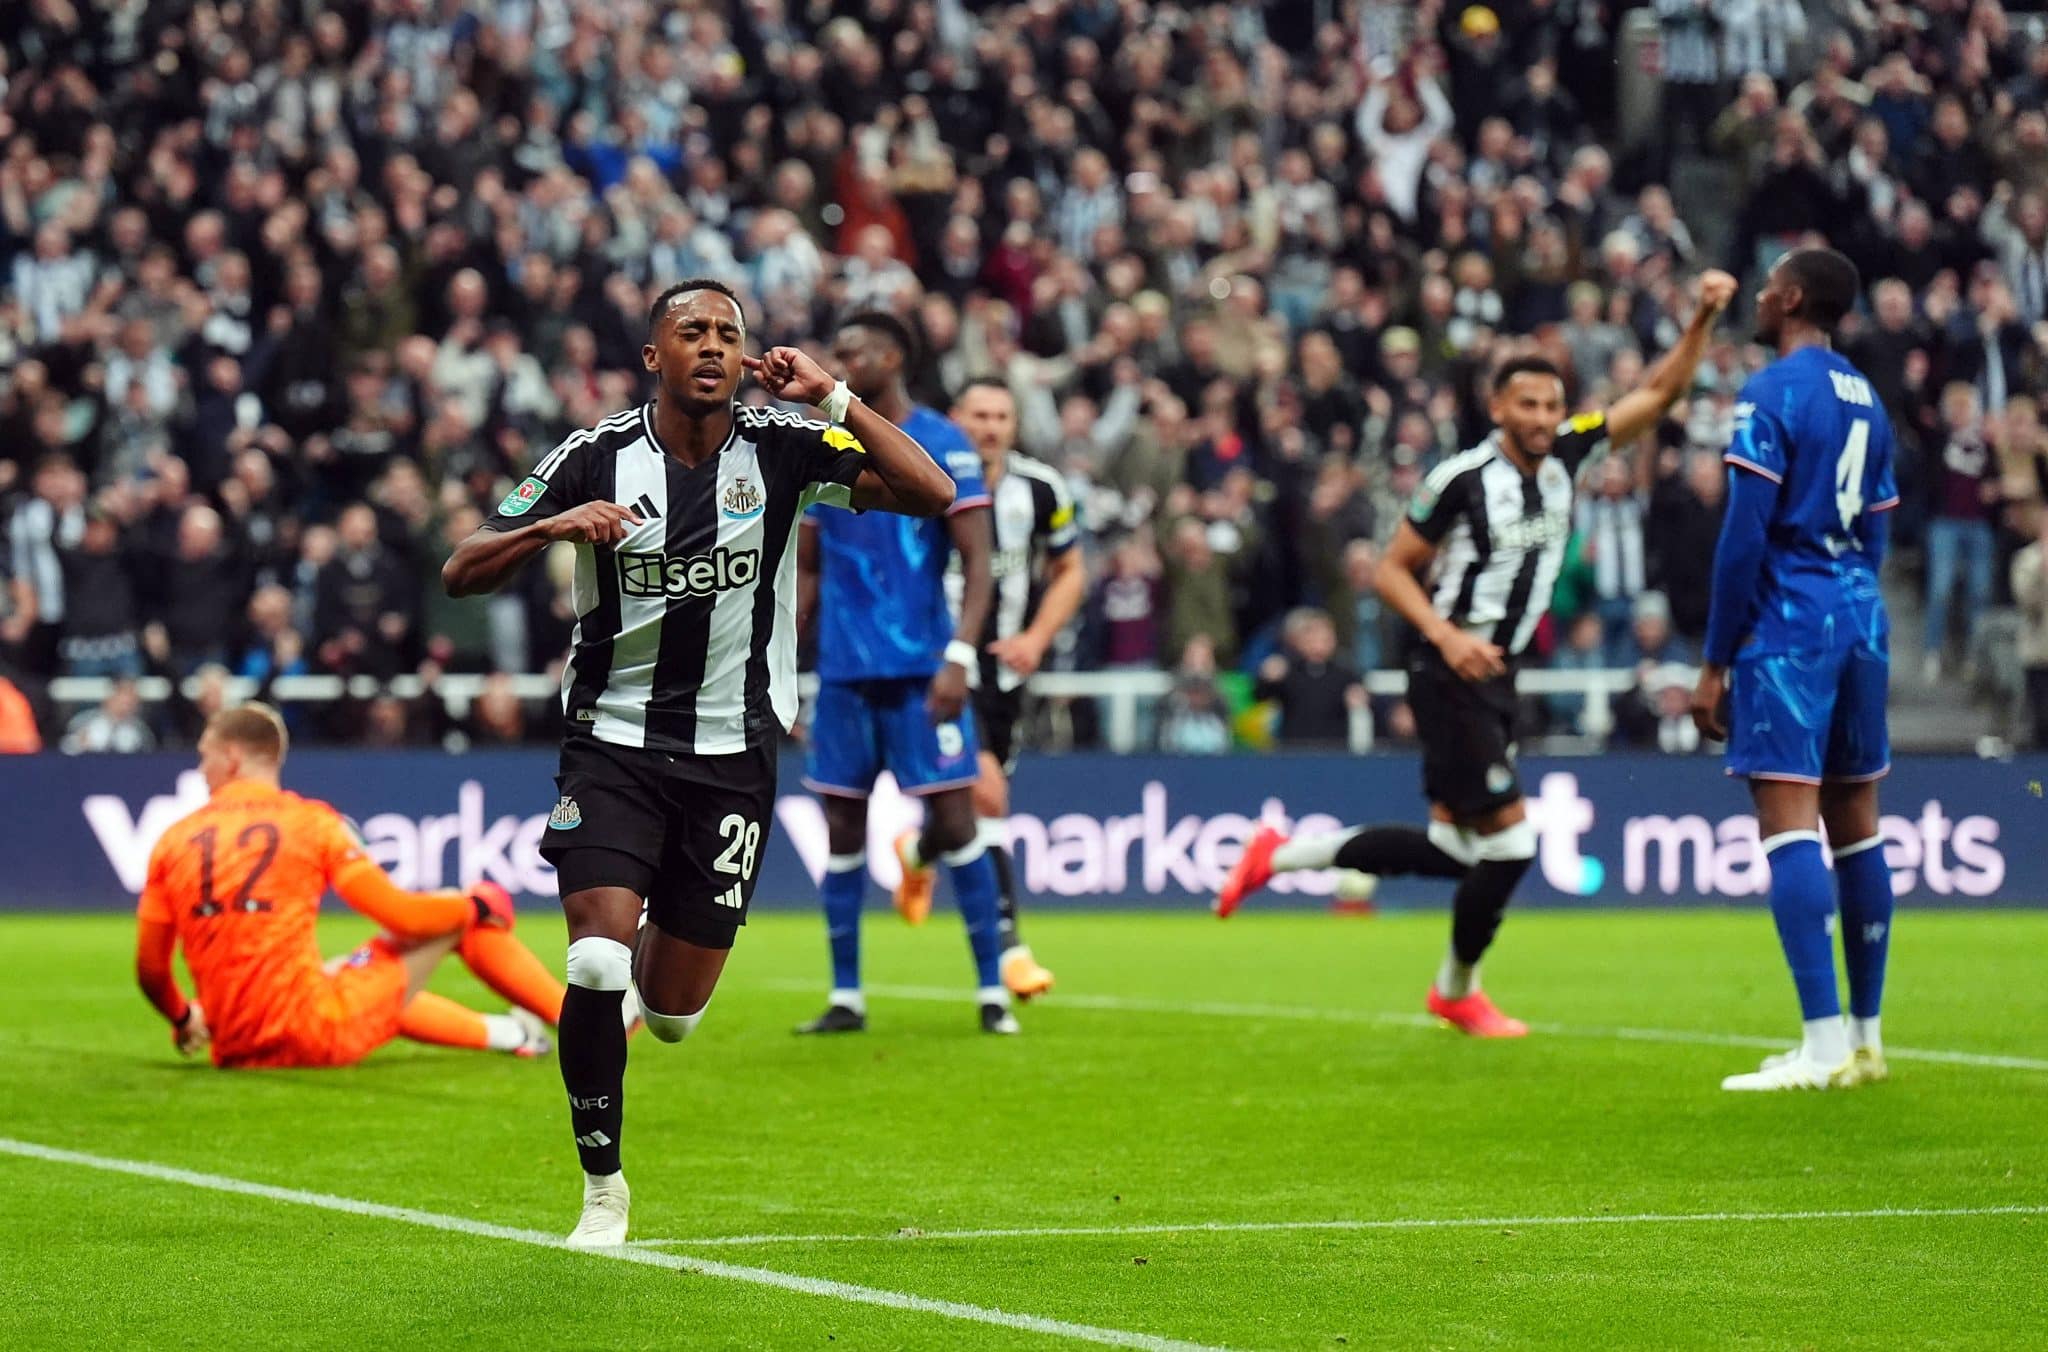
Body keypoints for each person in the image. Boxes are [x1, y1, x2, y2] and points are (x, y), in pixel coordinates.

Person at [441, 280, 957, 1246]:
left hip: (732, 756)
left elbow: (933, 494)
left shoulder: (782, 446)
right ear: (655, 356)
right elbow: (461, 566)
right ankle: (603, 1190)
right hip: (613, 746)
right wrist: (553, 526)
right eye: (692, 332)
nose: (713, 346)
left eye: (728, 332)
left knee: (674, 1014)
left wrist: (833, 396)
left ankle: (650, 952)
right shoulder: (594, 455)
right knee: (595, 958)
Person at [1214, 268, 1738, 1037]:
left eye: (1552, 405)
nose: (1542, 417)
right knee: (1512, 845)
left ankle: (1281, 855)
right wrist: (1448, 636)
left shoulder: (1568, 455)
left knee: (1459, 848)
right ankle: (1455, 989)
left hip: (1500, 674)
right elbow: (1391, 571)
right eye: (1527, 404)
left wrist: (1700, 319)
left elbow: (1658, 396)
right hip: (1450, 670)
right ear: (1497, 408)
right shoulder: (1460, 480)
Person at [1690, 248, 1900, 1092]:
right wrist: (1853, 603)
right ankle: (1865, 1039)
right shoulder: (1868, 398)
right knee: (1859, 823)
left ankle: (1818, 1047)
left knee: (1789, 825)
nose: (1761, 291)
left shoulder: (1771, 391)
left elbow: (1744, 535)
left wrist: (1715, 662)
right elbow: (1879, 530)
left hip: (1789, 621)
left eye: (1772, 281)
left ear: (1794, 298)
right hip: (1861, 614)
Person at [134, 704, 572, 1070]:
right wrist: (477, 905)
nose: (201, 770)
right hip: (313, 1033)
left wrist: (183, 1017)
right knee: (448, 910)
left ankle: (511, 1033)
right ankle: (579, 1022)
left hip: (234, 1047)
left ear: (231, 758)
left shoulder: (173, 841)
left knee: (348, 970)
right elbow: (402, 917)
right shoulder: (312, 823)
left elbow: (151, 970)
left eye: (203, 757)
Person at [794, 311, 1012, 1036]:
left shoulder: (944, 443)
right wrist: (786, 665)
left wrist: (960, 656)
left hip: (923, 668)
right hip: (844, 672)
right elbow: (808, 570)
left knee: (955, 820)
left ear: (891, 357)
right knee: (842, 827)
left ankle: (992, 990)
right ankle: (846, 997)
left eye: (853, 351)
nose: (841, 360)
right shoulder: (825, 443)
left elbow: (979, 561)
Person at [944, 378, 1086, 1000]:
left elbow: (1070, 569)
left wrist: (1036, 637)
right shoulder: (926, 481)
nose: (991, 427)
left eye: (1002, 416)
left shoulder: (1042, 488)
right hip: (943, 668)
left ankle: (917, 853)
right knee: (989, 795)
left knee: (969, 808)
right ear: (956, 418)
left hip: (1006, 671)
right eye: (980, 415)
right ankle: (1010, 947)